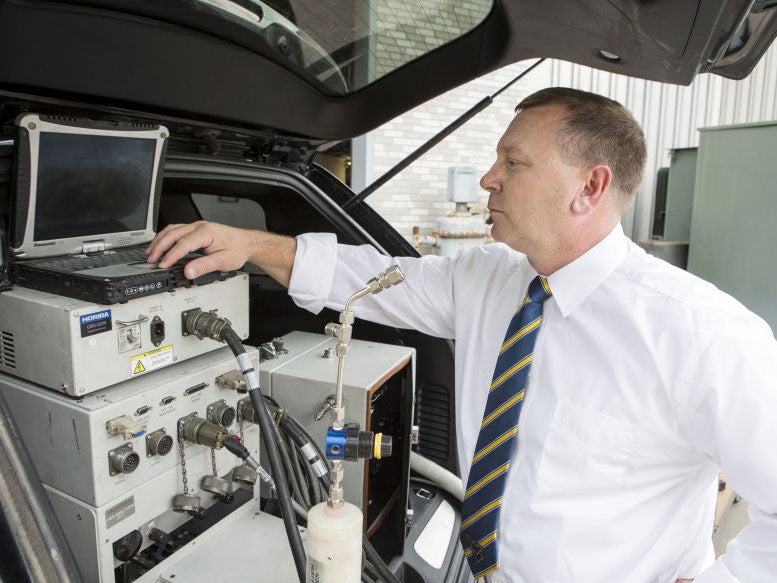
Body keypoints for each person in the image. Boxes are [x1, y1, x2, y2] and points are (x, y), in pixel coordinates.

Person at [146, 88, 777, 583]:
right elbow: (365, 278)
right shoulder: (489, 279)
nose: (488, 179)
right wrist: (250, 243)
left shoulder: (703, 335)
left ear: (591, 186)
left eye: (513, 162)